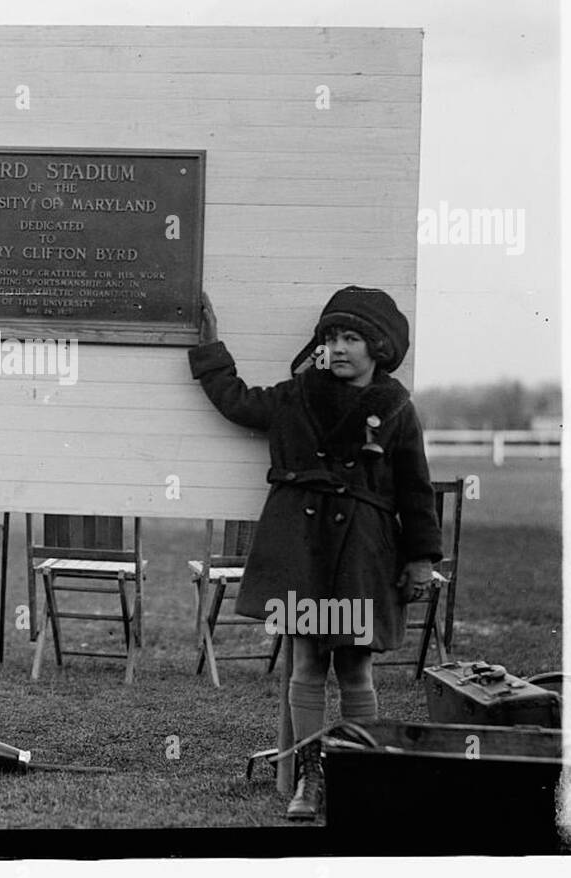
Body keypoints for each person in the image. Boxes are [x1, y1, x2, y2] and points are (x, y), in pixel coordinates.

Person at [188, 286, 442, 820]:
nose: (340, 347)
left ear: (378, 347)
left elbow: (416, 490)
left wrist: (422, 560)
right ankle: (312, 774)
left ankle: (359, 769)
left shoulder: (396, 408)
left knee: (354, 667)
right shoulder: (295, 396)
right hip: (302, 551)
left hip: (360, 556)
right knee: (306, 660)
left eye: (352, 337)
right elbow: (236, 400)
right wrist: (210, 347)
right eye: (331, 337)